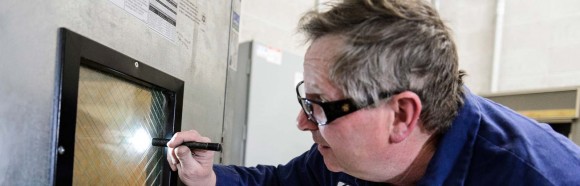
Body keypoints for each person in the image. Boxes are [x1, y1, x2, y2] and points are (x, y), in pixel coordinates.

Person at [166, 0, 580, 185]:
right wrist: (206, 178)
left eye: (319, 106)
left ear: (401, 116)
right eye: (304, 100)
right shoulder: (348, 159)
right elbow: (277, 184)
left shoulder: (541, 177)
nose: (303, 121)